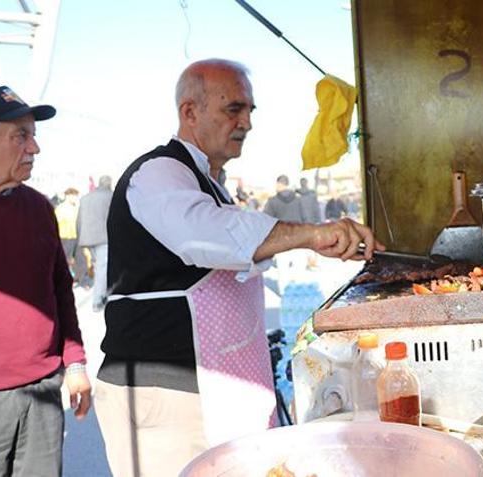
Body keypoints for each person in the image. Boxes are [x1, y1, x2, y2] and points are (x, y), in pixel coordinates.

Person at [95, 58, 384, 476]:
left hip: (206, 389)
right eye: (234, 109)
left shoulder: (208, 182)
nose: (246, 122)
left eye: (249, 110)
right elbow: (205, 235)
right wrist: (311, 234)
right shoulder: (158, 172)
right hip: (166, 393)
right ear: (189, 112)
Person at [0, 86, 91, 477]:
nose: (35, 148)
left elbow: (60, 289)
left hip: (43, 392)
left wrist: (75, 363)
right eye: (21, 136)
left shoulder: (40, 207)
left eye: (33, 135)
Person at [77, 175, 113, 311]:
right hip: (103, 237)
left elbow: (79, 220)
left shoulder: (85, 198)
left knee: (98, 267)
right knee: (102, 269)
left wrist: (80, 238)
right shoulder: (110, 196)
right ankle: (98, 300)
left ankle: (101, 295)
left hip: (87, 238)